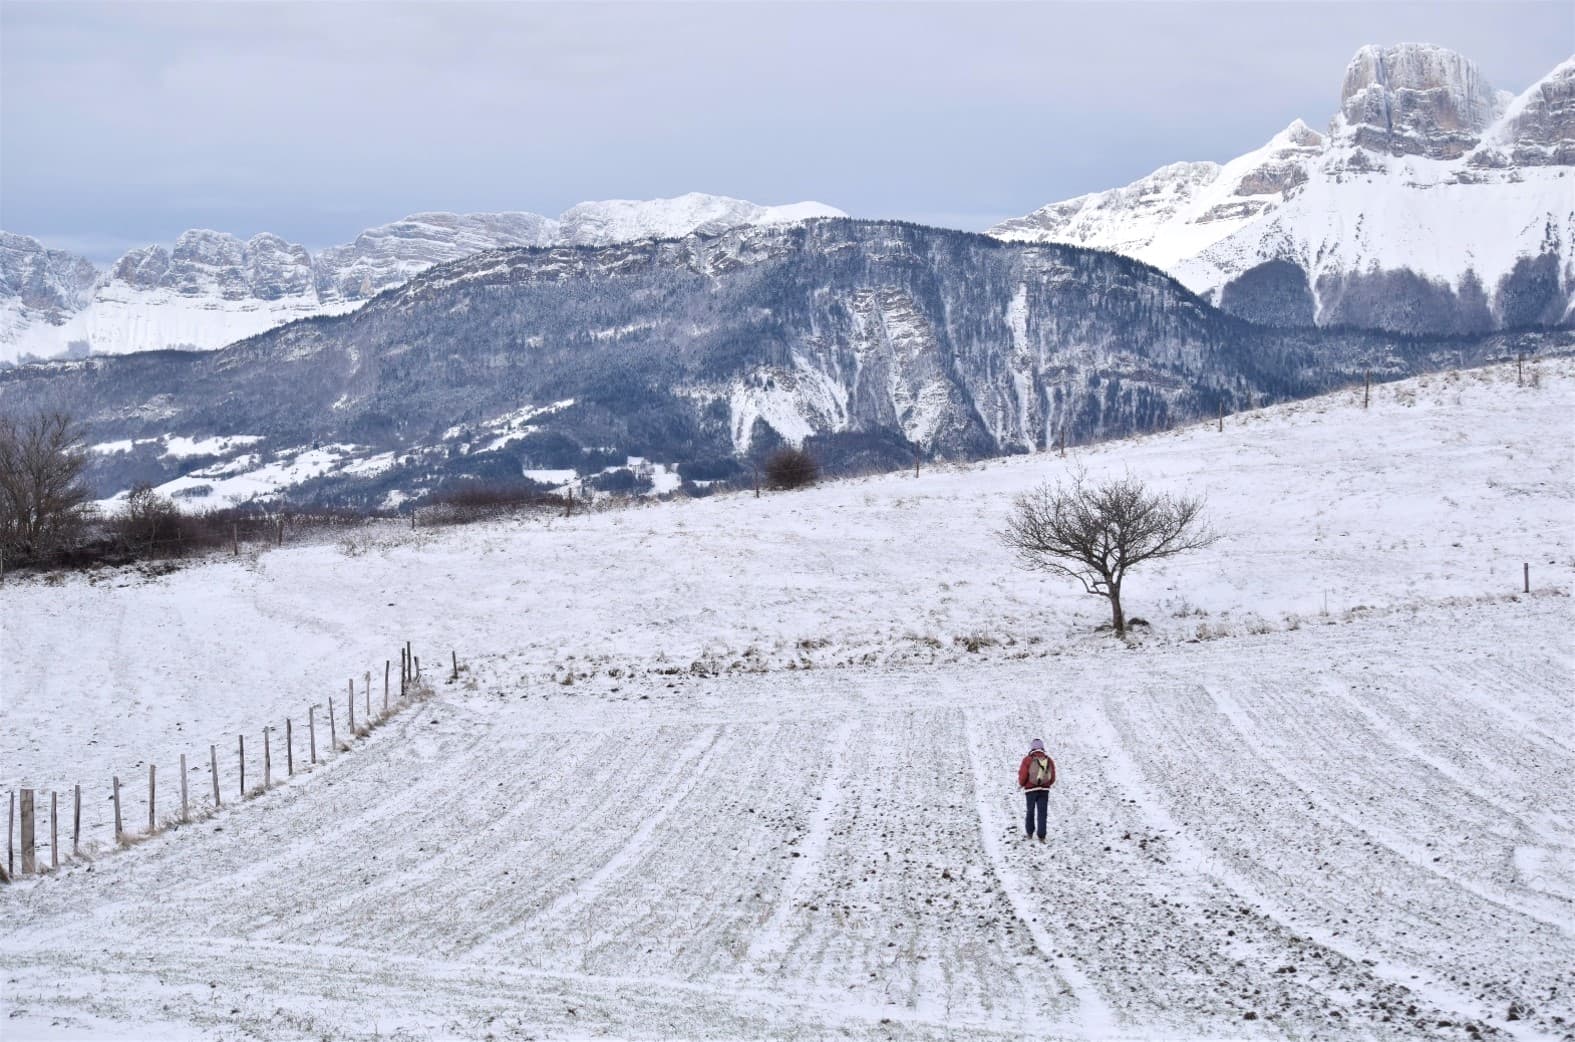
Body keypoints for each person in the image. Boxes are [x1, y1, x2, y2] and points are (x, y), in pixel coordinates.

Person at [1017, 738, 1056, 841]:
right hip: (1044, 790)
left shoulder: (1027, 759)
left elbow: (1023, 774)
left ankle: (1029, 833)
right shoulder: (1048, 759)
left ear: (1032, 747)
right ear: (1042, 747)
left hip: (1030, 790)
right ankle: (1042, 835)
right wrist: (1047, 784)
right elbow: (1052, 776)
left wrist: (1022, 784)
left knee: (1030, 811)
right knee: (1042, 813)